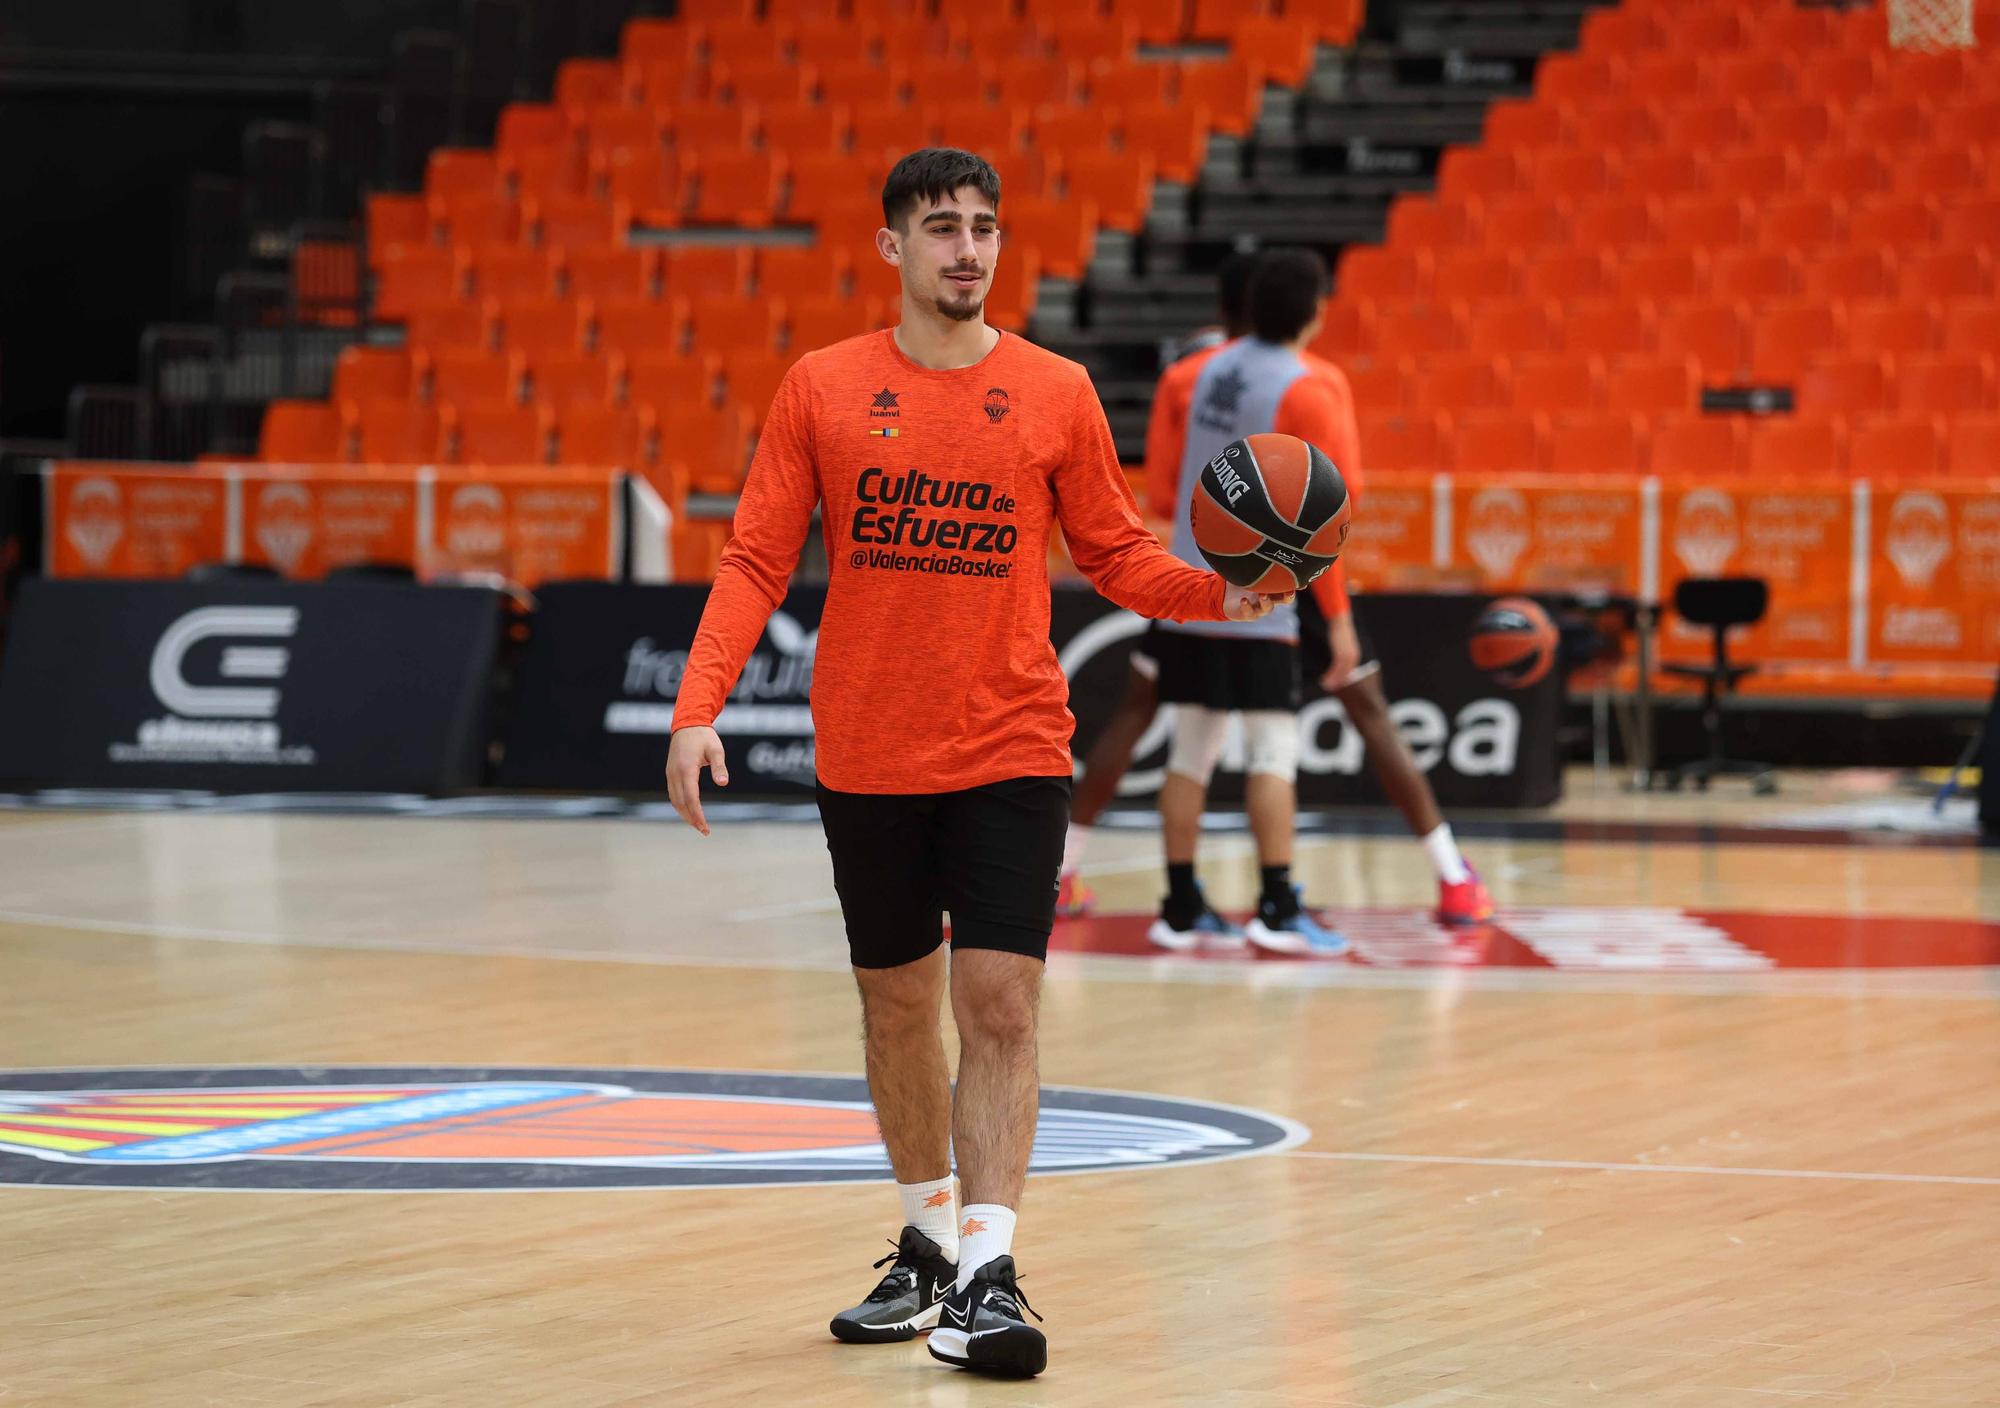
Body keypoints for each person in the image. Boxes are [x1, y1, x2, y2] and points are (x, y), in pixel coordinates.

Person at [662, 148, 1286, 1380]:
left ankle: (991, 1275)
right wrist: (697, 706)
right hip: (869, 749)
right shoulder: (822, 387)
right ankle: (925, 1240)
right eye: (940, 227)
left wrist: (1231, 589)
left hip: (1011, 744)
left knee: (995, 1003)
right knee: (896, 1007)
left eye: (984, 228)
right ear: (891, 248)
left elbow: (1114, 555)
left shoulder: (1053, 392)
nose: (966, 248)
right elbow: (752, 561)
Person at [1057, 251, 1493, 936]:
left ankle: (1078, 874)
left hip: (1198, 569)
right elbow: (1331, 516)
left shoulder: (1190, 376)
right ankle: (1438, 880)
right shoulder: (1315, 384)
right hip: (1288, 577)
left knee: (1155, 718)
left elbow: (1170, 494)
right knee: (1349, 717)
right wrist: (1338, 618)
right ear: (1315, 311)